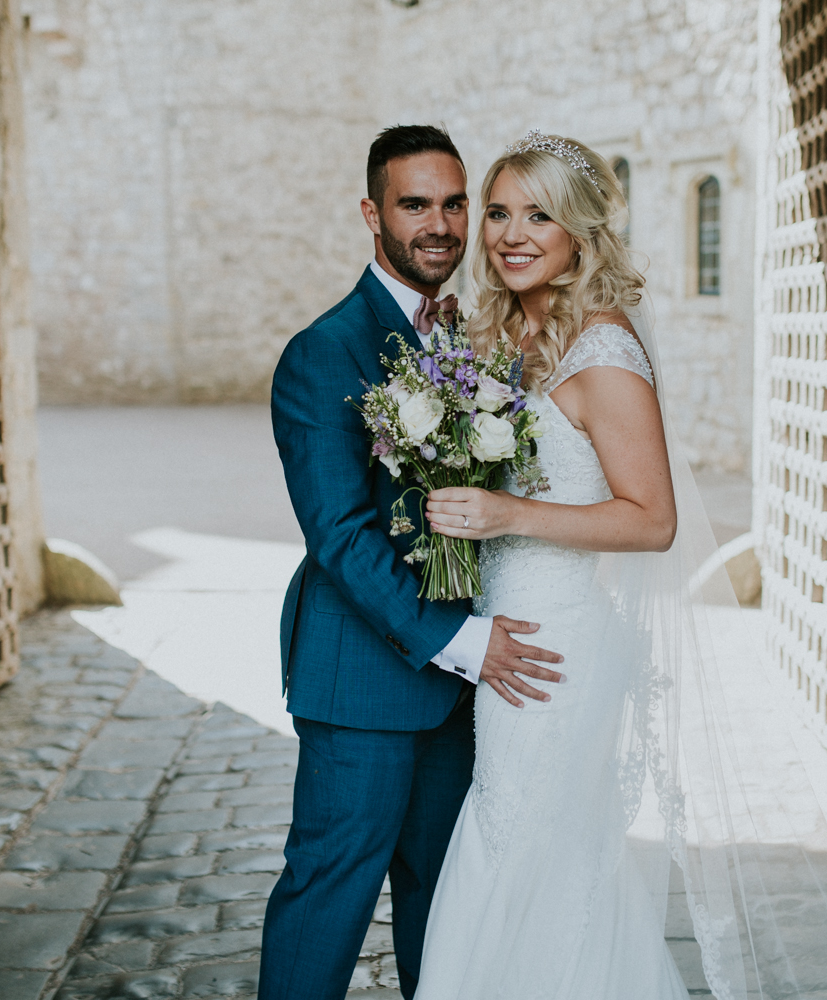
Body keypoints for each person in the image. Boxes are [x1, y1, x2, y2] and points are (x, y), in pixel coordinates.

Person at [414, 133, 827, 1000]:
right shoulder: (497, 336)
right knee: (528, 852)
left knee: (530, 849)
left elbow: (654, 521)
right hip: (504, 635)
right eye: (499, 211)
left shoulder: (604, 354)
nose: (511, 234)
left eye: (541, 214)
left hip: (556, 650)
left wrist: (504, 512)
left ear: (581, 233)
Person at [260, 125, 564, 1000]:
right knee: (329, 895)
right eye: (415, 203)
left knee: (446, 900)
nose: (441, 223)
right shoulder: (324, 353)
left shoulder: (477, 338)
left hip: (463, 692)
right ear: (373, 213)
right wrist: (463, 641)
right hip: (365, 680)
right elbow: (343, 536)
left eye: (455, 202)